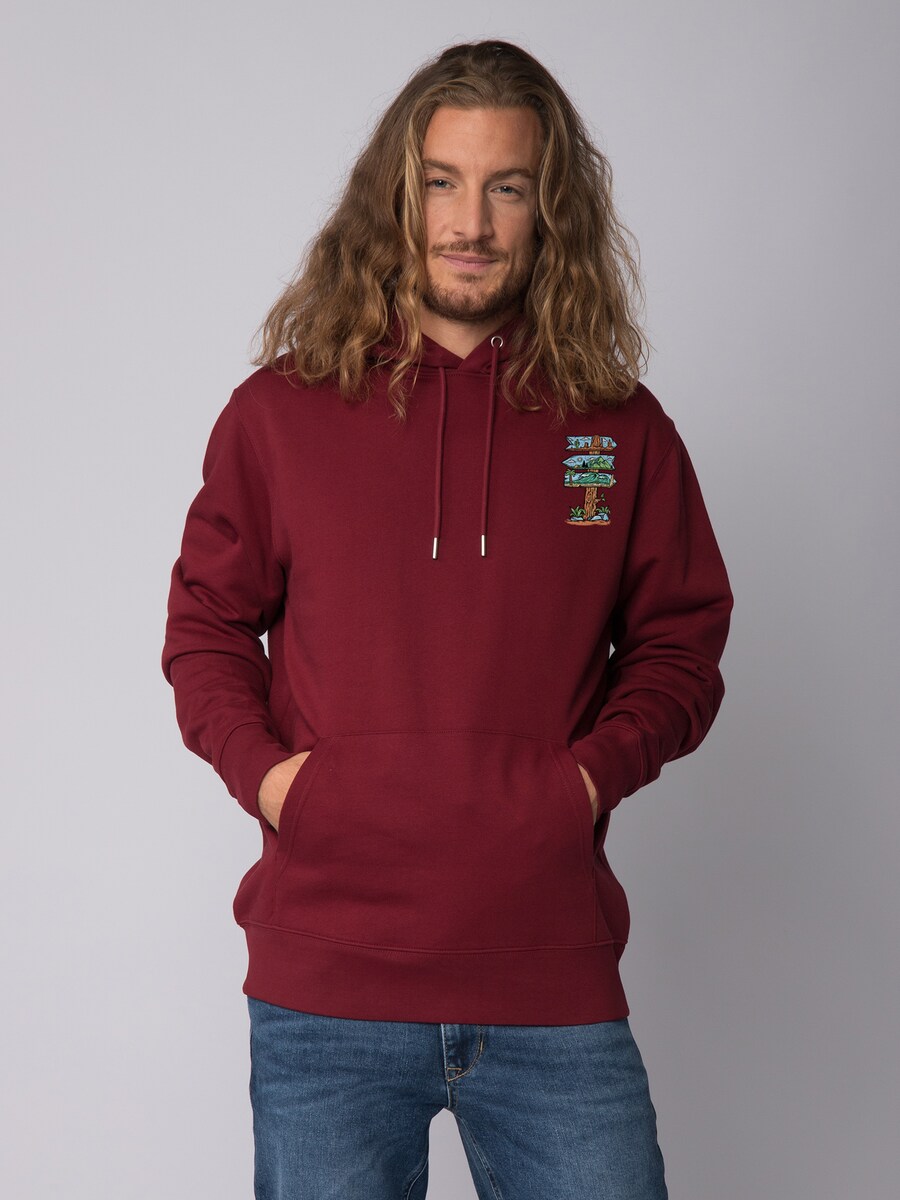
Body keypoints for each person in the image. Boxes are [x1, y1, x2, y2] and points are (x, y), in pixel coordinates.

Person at [162, 38, 733, 1200]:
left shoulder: (615, 428)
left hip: (549, 976)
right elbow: (205, 626)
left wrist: (585, 781)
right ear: (397, 195)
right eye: (441, 182)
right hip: (327, 989)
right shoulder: (279, 414)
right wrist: (277, 782)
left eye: (506, 186)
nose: (470, 222)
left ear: (548, 209)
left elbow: (680, 642)